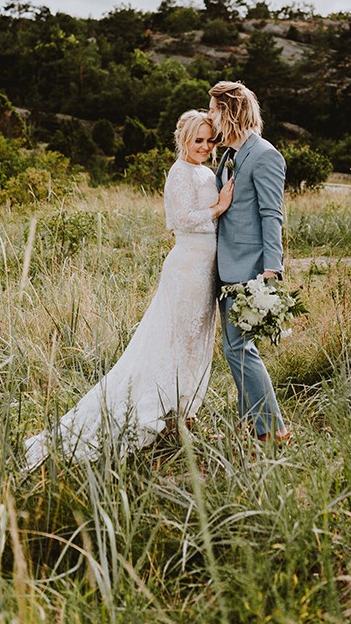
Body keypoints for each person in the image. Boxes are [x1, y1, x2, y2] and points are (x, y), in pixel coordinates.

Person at [23, 111, 234, 469]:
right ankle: (161, 411)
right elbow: (178, 220)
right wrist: (218, 208)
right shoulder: (179, 172)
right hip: (187, 267)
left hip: (206, 267)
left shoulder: (204, 171)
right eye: (198, 140)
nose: (205, 147)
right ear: (184, 139)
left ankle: (181, 413)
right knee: (175, 340)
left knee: (196, 341)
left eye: (210, 140)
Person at [208, 81, 291, 445]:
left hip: (251, 267)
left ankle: (273, 430)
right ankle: (250, 425)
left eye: (213, 109)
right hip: (225, 266)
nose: (209, 116)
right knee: (235, 348)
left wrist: (272, 269)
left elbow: (272, 214)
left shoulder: (265, 155)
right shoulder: (228, 155)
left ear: (229, 111)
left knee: (239, 348)